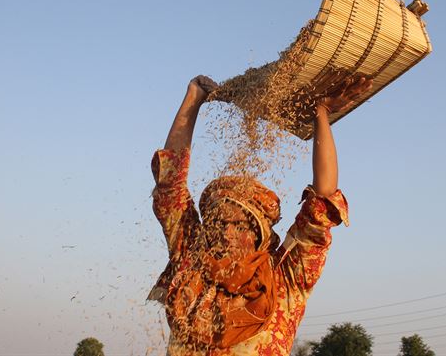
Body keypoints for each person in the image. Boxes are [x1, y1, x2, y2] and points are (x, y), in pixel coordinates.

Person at [147, 74, 371, 355]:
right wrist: (194, 99)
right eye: (219, 224)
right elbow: (171, 186)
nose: (227, 233)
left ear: (260, 233)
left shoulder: (283, 279)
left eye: (241, 226)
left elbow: (322, 201)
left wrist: (320, 114)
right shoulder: (192, 263)